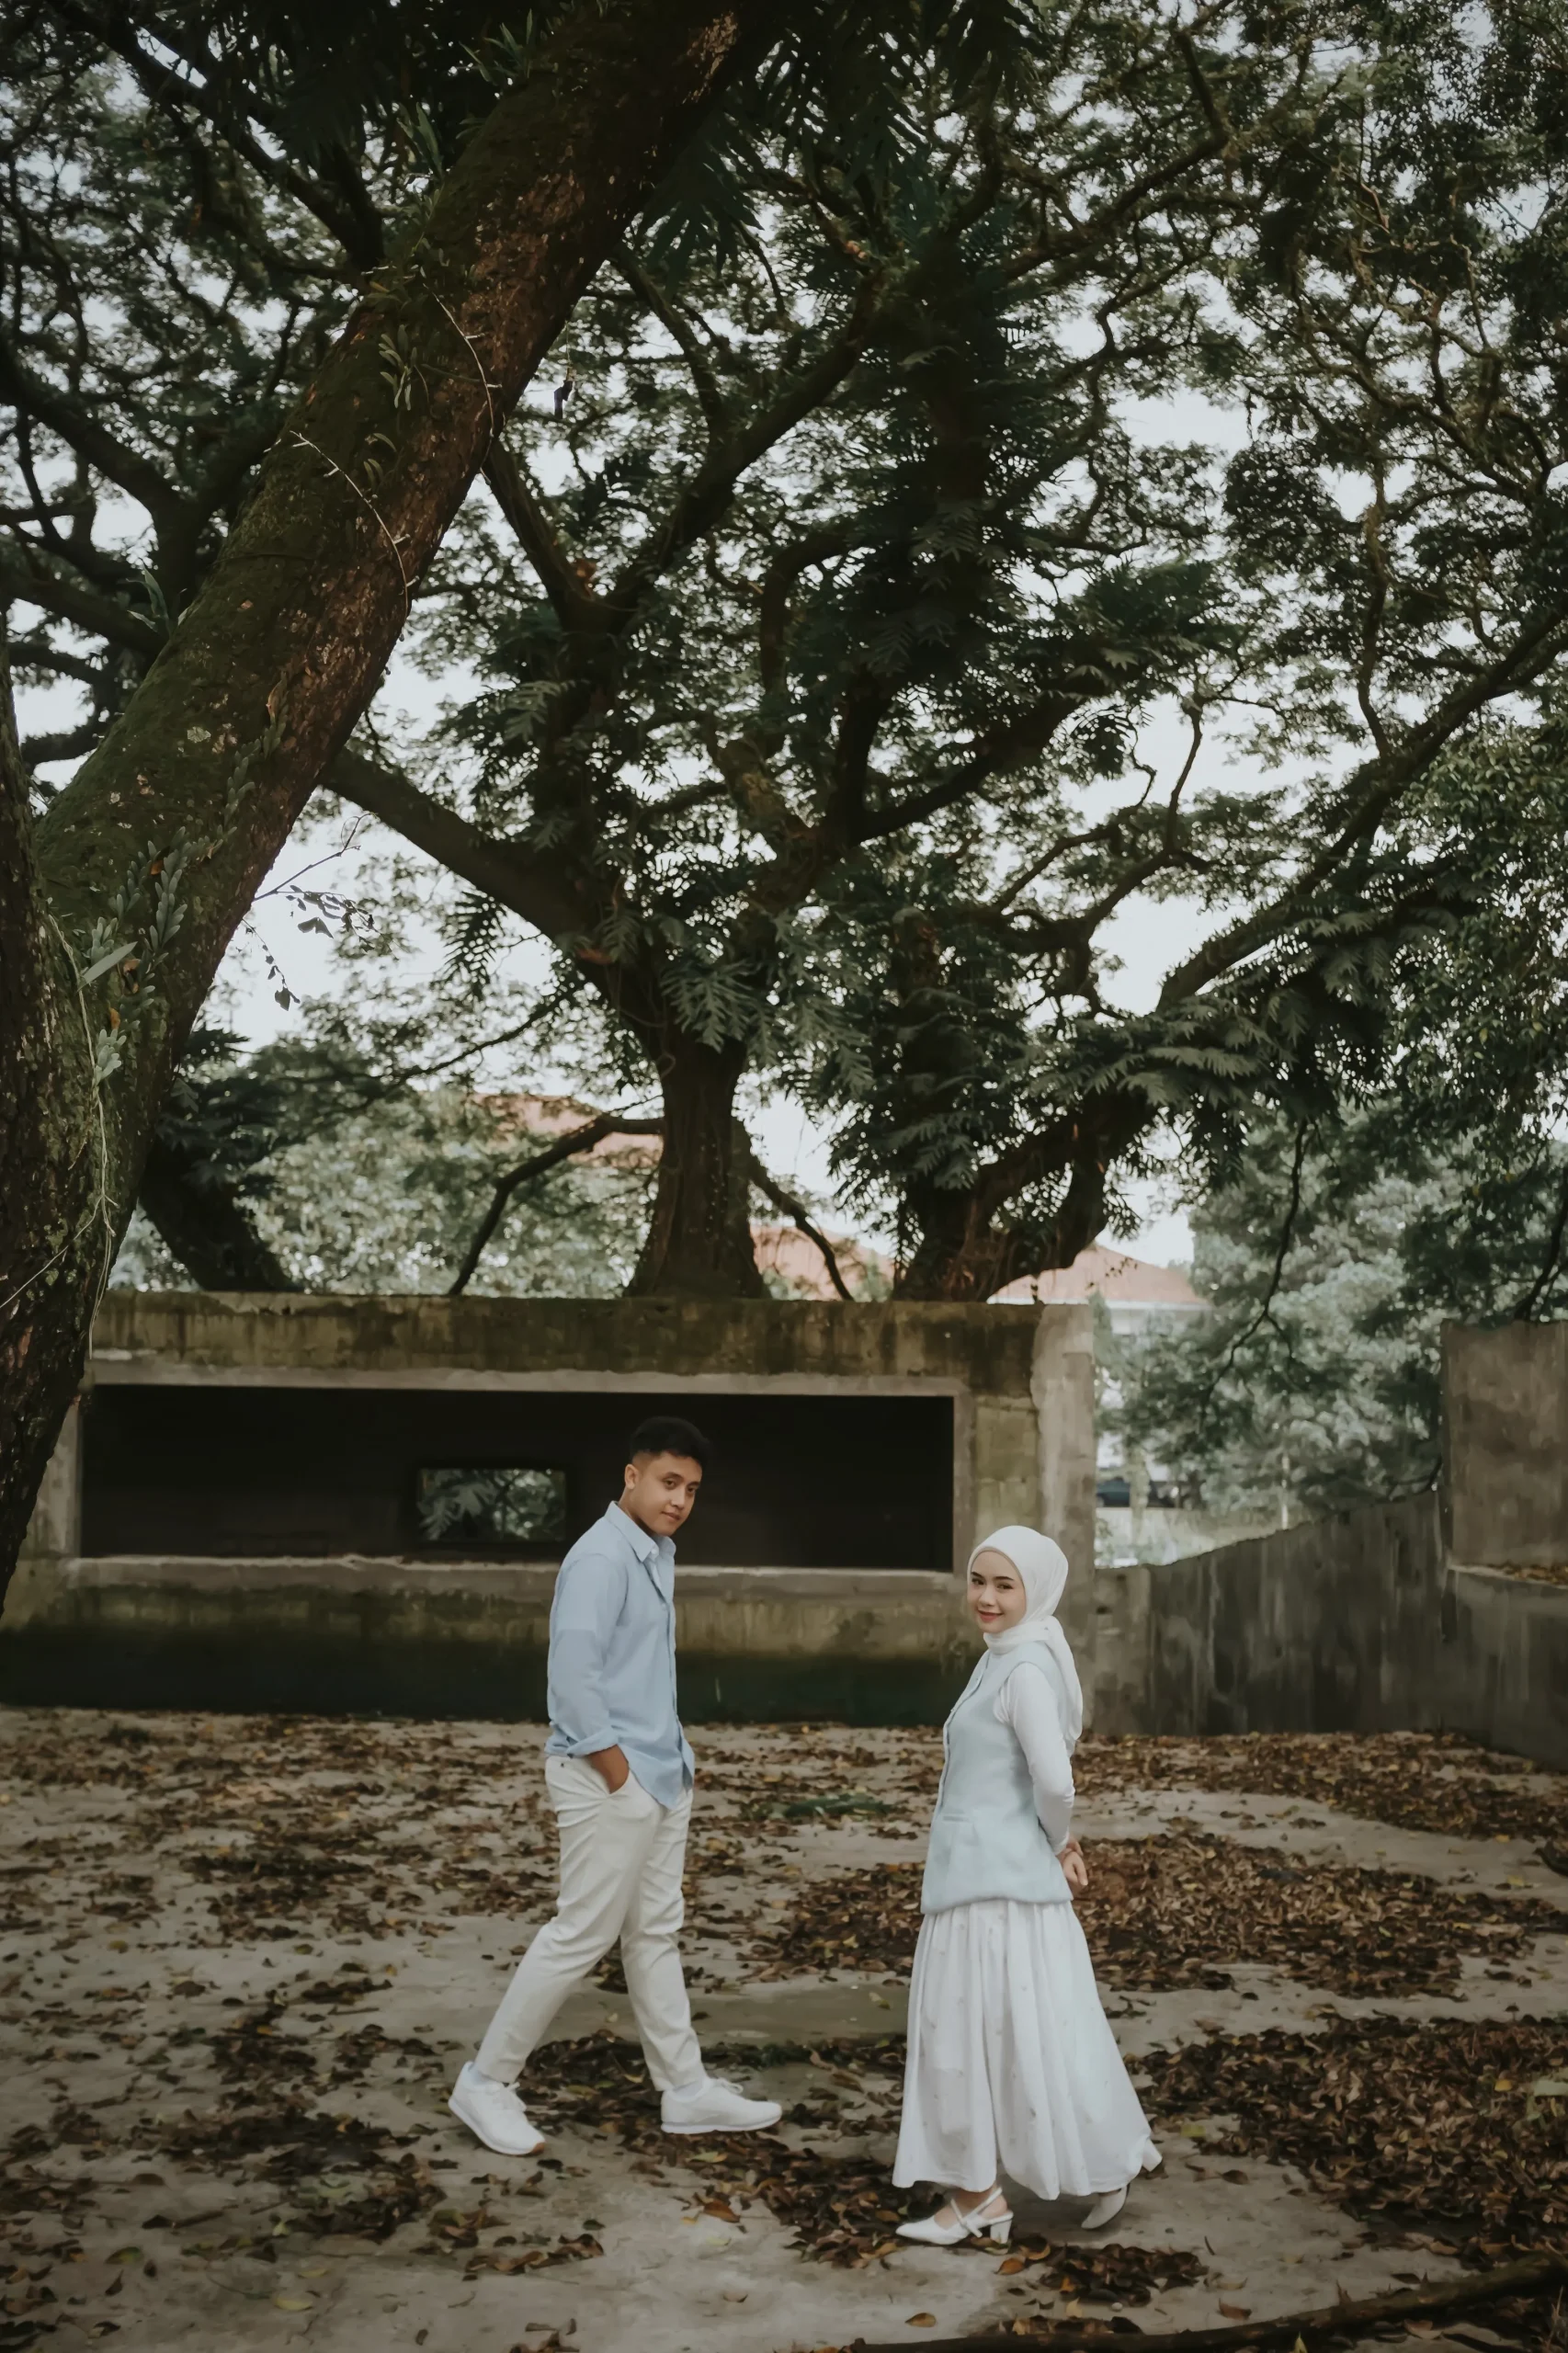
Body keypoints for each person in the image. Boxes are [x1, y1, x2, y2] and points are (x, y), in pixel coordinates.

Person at [449, 1415, 782, 2154]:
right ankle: (486, 2082)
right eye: (668, 1482)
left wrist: (669, 1768)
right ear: (632, 1477)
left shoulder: (654, 1552)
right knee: (581, 1933)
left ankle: (685, 2090)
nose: (679, 1500)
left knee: (654, 1933)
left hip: (662, 1773)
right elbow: (572, 1684)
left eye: (691, 1489)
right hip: (608, 1778)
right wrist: (620, 1776)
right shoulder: (601, 1558)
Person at [893, 1524, 1158, 2245]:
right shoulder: (1004, 1656)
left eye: (1004, 1585)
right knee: (1026, 2034)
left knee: (974, 2038)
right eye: (977, 1580)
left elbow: (1055, 1781)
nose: (985, 1597)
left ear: (1034, 1591)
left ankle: (985, 2197)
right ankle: (1063, 2171)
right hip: (981, 1879)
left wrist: (1057, 1839)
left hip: (995, 1893)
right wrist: (1054, 1840)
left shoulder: (1025, 1672)